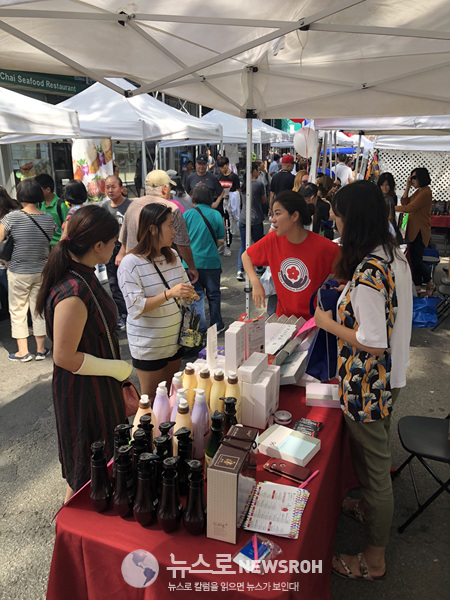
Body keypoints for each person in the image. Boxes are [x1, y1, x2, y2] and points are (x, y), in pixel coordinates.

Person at [314, 180, 412, 582]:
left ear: (352, 218)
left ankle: (373, 560)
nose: (332, 217)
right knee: (374, 462)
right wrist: (350, 294)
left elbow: (372, 341)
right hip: (390, 377)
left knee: (375, 472)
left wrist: (329, 322)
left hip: (368, 381)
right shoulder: (390, 255)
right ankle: (368, 509)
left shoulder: (371, 271)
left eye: (336, 212)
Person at [36, 205, 132, 502]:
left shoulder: (84, 276)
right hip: (84, 392)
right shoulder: (73, 290)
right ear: (98, 246)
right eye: (114, 241)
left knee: (102, 463)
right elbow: (64, 356)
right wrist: (116, 369)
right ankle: (73, 532)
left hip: (99, 386)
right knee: (86, 470)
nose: (117, 246)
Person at [117, 203, 196, 399]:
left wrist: (188, 294)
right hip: (149, 346)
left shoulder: (173, 256)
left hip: (174, 340)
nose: (174, 231)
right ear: (153, 229)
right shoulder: (130, 263)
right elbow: (136, 307)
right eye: (170, 225)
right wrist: (170, 294)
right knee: (151, 400)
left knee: (171, 395)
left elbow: (184, 289)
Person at [242, 190, 340, 319]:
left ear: (294, 216)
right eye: (272, 214)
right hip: (284, 319)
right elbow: (246, 256)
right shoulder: (273, 240)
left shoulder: (324, 247)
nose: (273, 219)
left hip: (314, 322)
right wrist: (255, 283)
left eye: (278, 214)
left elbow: (345, 272)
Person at [0, 179, 56, 361]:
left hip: (18, 271)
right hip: (41, 270)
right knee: (38, 309)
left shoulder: (12, 217)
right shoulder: (48, 219)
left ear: (20, 195)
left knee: (17, 310)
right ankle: (41, 350)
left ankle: (23, 352)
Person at [116, 170, 198, 284]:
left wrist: (121, 255)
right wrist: (192, 267)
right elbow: (182, 243)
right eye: (169, 187)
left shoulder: (132, 206)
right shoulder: (171, 208)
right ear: (164, 189)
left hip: (134, 270)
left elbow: (124, 239)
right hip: (162, 271)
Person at [183, 185, 225, 333]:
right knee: (213, 295)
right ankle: (217, 325)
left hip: (190, 263)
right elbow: (221, 239)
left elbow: (182, 240)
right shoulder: (216, 215)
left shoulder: (187, 215)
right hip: (212, 262)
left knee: (196, 296)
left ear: (194, 199)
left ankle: (199, 328)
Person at [395, 168, 434, 295]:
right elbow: (405, 201)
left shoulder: (425, 192)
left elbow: (409, 208)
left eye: (414, 178)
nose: (412, 180)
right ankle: (417, 287)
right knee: (413, 260)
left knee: (416, 260)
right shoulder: (419, 192)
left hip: (420, 231)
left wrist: (390, 207)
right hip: (413, 230)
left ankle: (429, 281)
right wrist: (407, 187)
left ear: (421, 178)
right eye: (411, 178)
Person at [100, 175, 131, 330]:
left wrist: (124, 251)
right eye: (107, 187)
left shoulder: (131, 206)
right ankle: (123, 314)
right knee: (114, 285)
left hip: (130, 250)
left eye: (113, 186)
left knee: (131, 283)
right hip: (112, 251)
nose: (110, 190)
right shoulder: (104, 207)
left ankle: (134, 313)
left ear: (122, 188)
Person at [237, 162, 267, 281]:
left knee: (244, 245)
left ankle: (240, 269)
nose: (259, 172)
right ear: (254, 171)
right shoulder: (259, 184)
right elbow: (263, 200)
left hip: (243, 218)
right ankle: (259, 266)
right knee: (258, 244)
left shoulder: (243, 184)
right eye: (257, 170)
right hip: (255, 219)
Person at [35, 173, 69, 247]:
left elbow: (68, 227)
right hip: (43, 248)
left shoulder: (61, 206)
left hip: (58, 248)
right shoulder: (39, 204)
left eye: (38, 189)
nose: (36, 192)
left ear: (48, 190)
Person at [217, 156, 240, 257]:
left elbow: (238, 191)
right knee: (220, 225)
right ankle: (221, 244)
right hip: (220, 204)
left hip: (229, 205)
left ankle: (228, 245)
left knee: (228, 224)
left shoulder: (233, 177)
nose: (222, 169)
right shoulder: (218, 177)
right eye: (220, 167)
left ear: (227, 165)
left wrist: (231, 195)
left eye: (223, 167)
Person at [377, 172, 403, 244]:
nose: (384, 188)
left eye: (387, 185)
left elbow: (390, 217)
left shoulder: (389, 199)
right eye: (382, 185)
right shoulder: (383, 197)